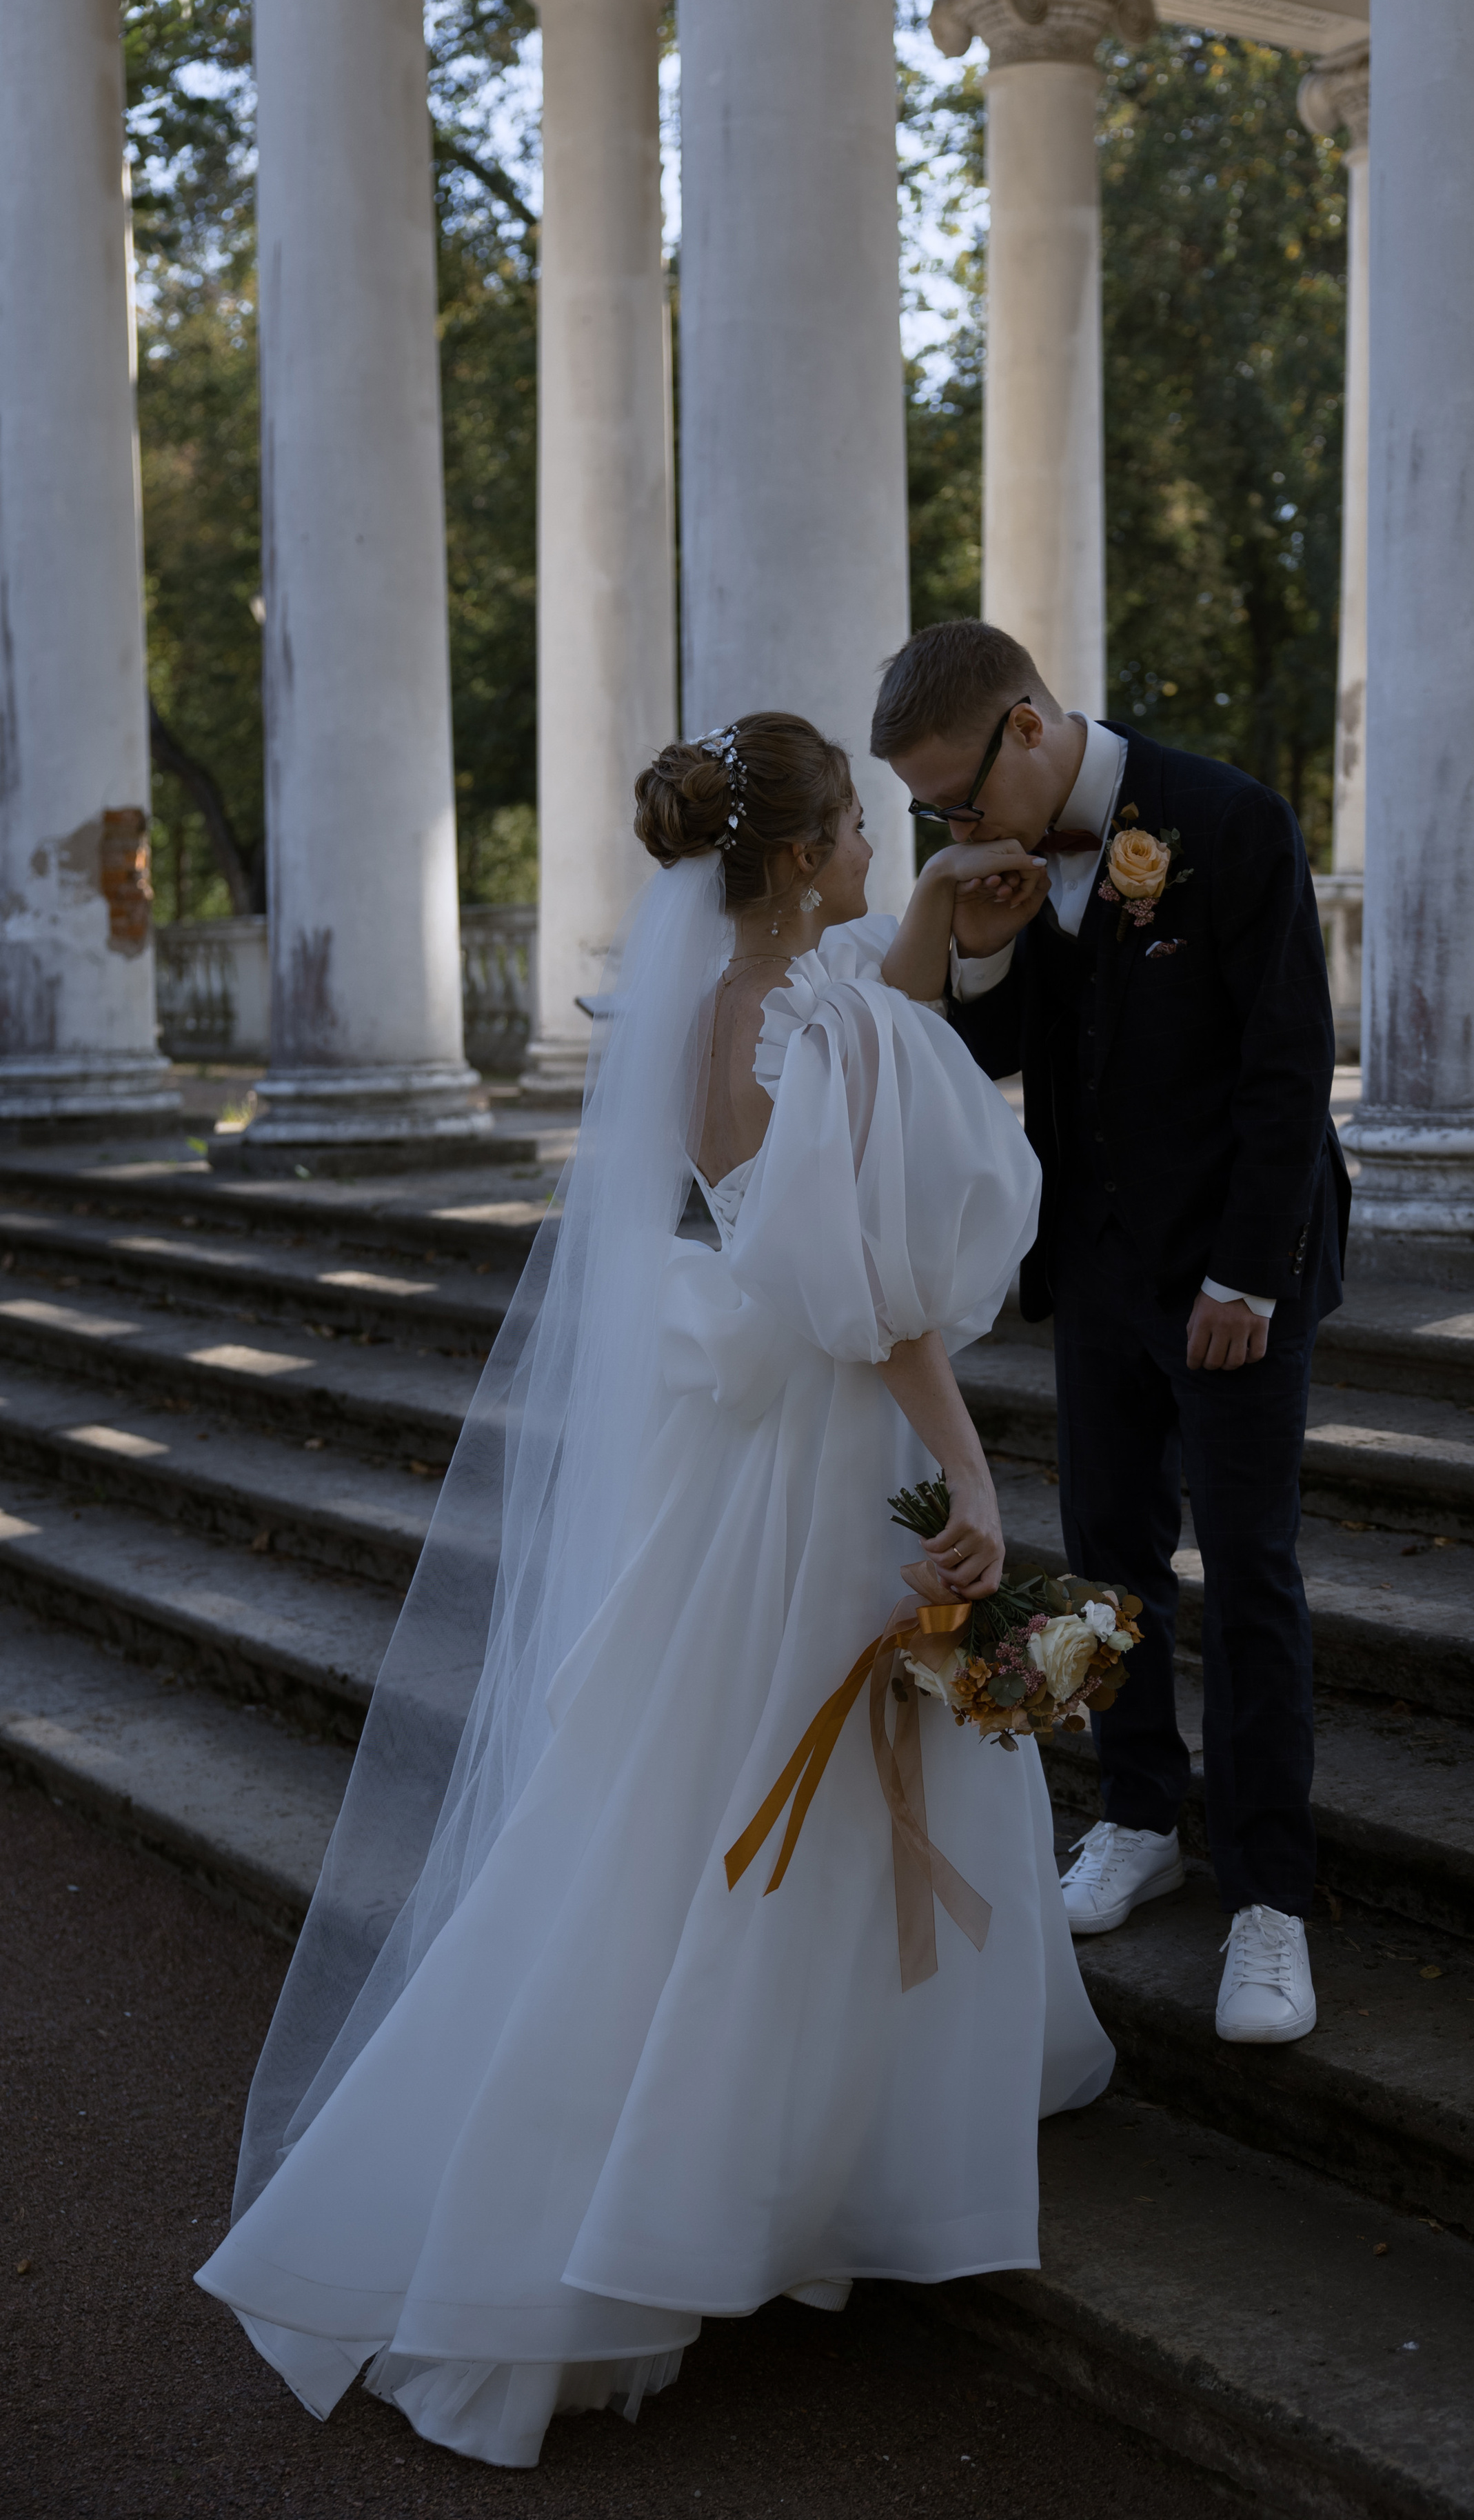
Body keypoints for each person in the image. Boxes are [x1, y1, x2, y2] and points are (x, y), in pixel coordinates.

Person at [194, 712, 1112, 2469]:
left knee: (717, 1781)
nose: (871, 849)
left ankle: (734, 2154)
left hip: (735, 1466)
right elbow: (884, 1293)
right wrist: (977, 1479)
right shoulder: (829, 1017)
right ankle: (811, 2173)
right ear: (795, 858)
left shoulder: (716, 1014)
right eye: (854, 827)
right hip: (850, 1445)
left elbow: (813, 1123)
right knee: (847, 1770)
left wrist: (927, 919)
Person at [874, 622, 1349, 2048]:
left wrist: (1245, 1283)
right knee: (1105, 1560)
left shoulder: (1226, 822)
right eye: (926, 814)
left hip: (1230, 1279)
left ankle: (1270, 1896)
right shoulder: (1009, 871)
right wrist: (970, 949)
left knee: (1250, 1573)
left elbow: (1286, 1067)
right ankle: (1138, 1815)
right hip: (1088, 1273)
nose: (953, 826)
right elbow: (1004, 1062)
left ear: (1027, 728)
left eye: (958, 797)